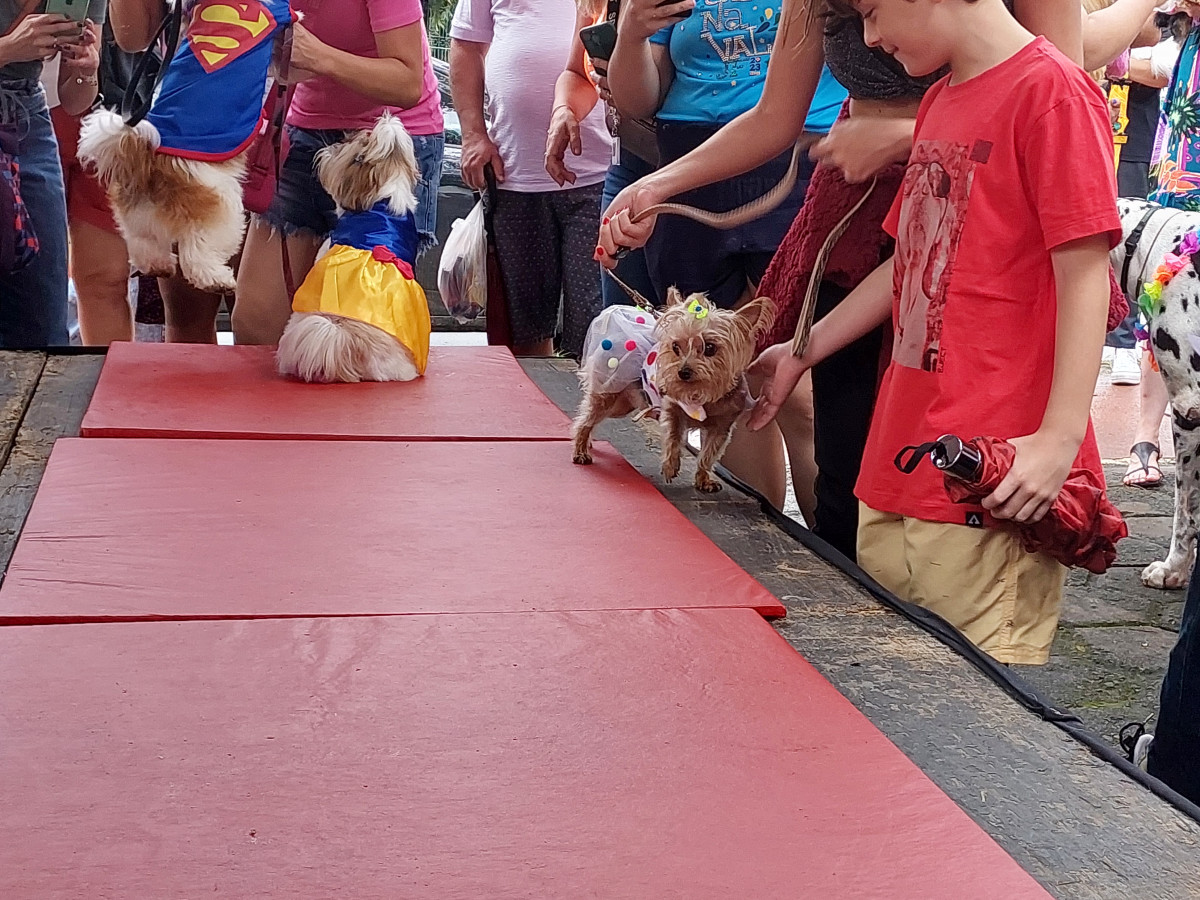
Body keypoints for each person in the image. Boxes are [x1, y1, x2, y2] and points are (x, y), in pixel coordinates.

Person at [597, 0, 1084, 559]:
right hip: (867, 219)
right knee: (847, 462)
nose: (869, 36)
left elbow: (1050, 116)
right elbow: (774, 116)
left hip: (979, 227)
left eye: (872, 13)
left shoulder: (1035, 90)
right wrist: (658, 186)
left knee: (954, 477)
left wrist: (910, 136)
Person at [746, 0, 1120, 665]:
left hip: (987, 476)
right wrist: (802, 353)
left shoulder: (1053, 93)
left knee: (976, 714)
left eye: (872, 11)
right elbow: (912, 260)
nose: (869, 39)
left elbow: (1086, 274)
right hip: (901, 464)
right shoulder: (945, 99)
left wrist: (1058, 441)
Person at [233, 0, 444, 345]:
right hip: (306, 130)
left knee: (367, 325)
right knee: (257, 322)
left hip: (387, 140)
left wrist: (320, 57)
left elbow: (408, 82)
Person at [450, 0, 611, 358]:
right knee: (522, 335)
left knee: (595, 331)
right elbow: (465, 45)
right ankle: (536, 414)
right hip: (513, 176)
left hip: (598, 176)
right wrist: (473, 133)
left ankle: (584, 413)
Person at [1, 0, 103, 348]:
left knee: (43, 311)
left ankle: (36, 400)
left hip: (27, 116)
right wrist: (9, 49)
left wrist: (86, 67)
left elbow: (75, 100)